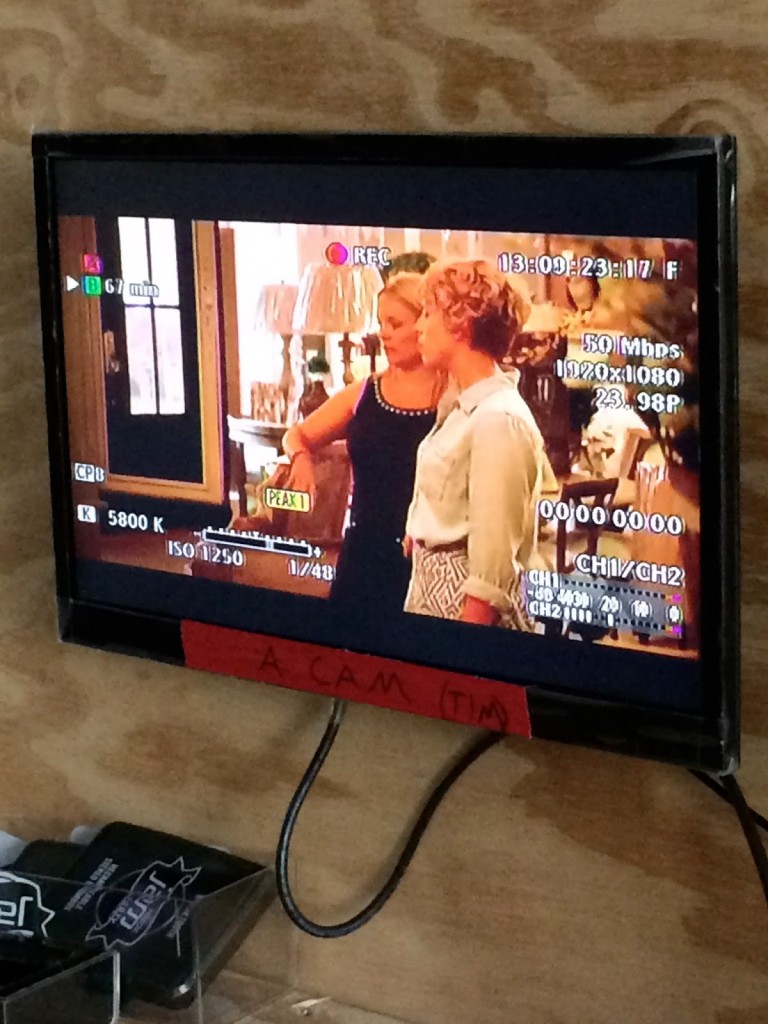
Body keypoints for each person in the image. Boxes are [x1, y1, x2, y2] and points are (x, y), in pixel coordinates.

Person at [282, 270, 444, 615]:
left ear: (425, 324)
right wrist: (301, 459)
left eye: (395, 323)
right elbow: (297, 435)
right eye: (381, 322)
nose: (384, 333)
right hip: (363, 552)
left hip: (426, 557)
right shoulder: (365, 392)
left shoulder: (452, 396)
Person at [403, 259, 553, 628]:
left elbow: (493, 568)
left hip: (465, 617)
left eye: (427, 313)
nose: (418, 327)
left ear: (462, 323)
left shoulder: (498, 418)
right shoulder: (462, 406)